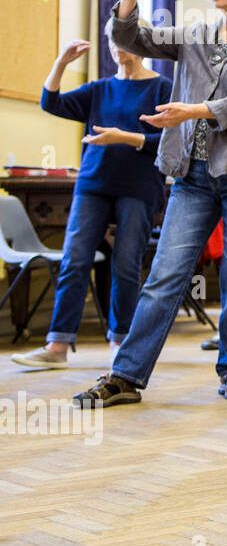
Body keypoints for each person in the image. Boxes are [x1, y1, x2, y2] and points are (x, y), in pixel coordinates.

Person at [72, 0, 227, 407]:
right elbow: (131, 34)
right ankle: (125, 376)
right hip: (192, 175)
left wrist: (195, 111)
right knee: (165, 276)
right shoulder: (194, 35)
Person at [12, 40, 170, 369]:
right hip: (92, 185)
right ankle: (57, 346)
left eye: (124, 39)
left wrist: (124, 137)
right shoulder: (99, 89)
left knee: (125, 266)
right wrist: (62, 62)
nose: (116, 46)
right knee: (74, 259)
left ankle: (121, 343)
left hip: (138, 188)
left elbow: (170, 142)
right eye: (112, 39)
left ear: (139, 43)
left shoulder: (161, 88)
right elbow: (50, 102)